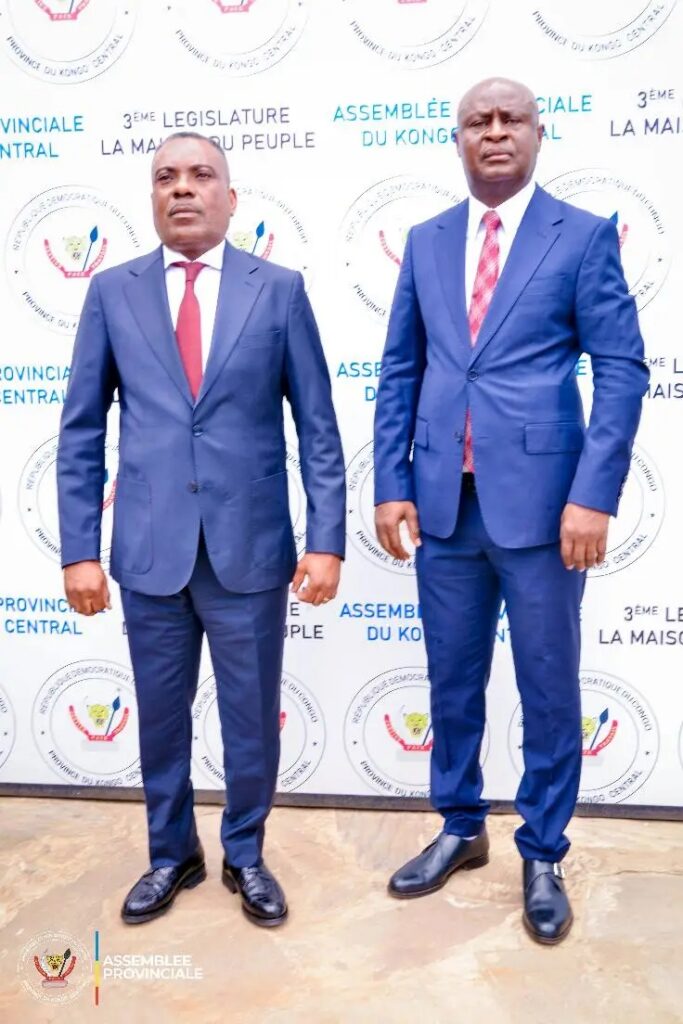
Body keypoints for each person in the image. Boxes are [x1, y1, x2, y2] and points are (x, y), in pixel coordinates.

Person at [373, 78, 648, 944]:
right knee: (451, 681)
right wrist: (389, 482)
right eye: (476, 122)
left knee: (546, 684)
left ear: (537, 132)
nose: (493, 132)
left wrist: (591, 495)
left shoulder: (582, 235)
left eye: (510, 119)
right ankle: (460, 827)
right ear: (456, 139)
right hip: (442, 507)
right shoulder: (426, 241)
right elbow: (401, 369)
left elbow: (621, 369)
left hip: (542, 512)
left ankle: (542, 850)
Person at [57, 132, 345, 928]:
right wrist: (79, 550)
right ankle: (170, 852)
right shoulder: (112, 292)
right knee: (159, 715)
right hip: (149, 550)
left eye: (200, 175)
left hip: (249, 549)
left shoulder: (278, 291)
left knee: (251, 716)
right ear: (152, 196)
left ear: (230, 196)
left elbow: (318, 427)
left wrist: (326, 540)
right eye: (166, 177)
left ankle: (244, 853)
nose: (182, 188)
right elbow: (81, 431)